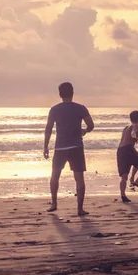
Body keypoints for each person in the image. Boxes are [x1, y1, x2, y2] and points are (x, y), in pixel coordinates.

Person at [44, 82, 94, 216]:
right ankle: (80, 209)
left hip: (60, 147)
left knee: (55, 175)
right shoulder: (80, 108)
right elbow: (91, 125)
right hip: (76, 146)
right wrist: (84, 131)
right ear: (73, 93)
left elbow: (48, 128)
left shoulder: (54, 109)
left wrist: (45, 146)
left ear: (60, 94)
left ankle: (54, 203)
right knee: (79, 178)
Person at [117, 111, 138, 202]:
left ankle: (123, 195)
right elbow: (133, 132)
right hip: (128, 149)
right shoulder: (136, 125)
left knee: (124, 176)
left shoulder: (126, 127)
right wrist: (135, 137)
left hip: (120, 151)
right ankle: (137, 181)